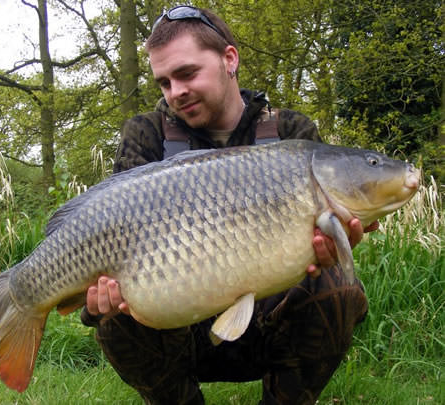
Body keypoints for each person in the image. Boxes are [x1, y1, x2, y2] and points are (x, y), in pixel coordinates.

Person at [81, 6, 377, 404]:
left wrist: (335, 248)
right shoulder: (146, 135)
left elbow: (327, 241)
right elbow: (108, 239)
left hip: (269, 326)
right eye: (164, 82)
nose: (175, 92)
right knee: (117, 315)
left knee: (339, 285)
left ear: (229, 59)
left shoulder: (292, 134)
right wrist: (95, 303)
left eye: (186, 74)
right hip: (175, 327)